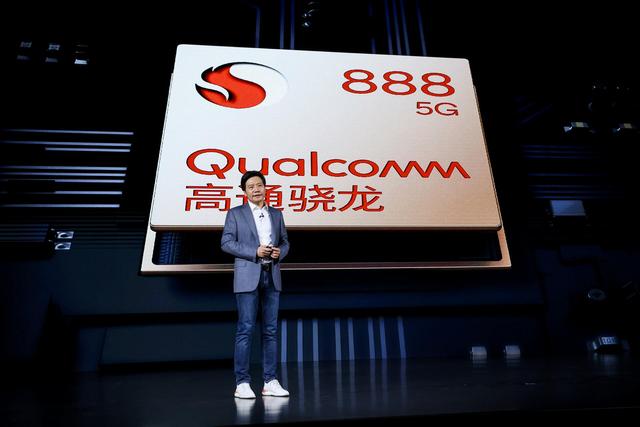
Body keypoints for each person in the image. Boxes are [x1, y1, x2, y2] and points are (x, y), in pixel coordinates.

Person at [221, 170, 290, 399]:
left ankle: (270, 381)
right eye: (250, 187)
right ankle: (242, 383)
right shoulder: (235, 213)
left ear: (265, 187)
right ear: (244, 191)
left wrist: (280, 252)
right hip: (247, 276)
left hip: (272, 275)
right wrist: (254, 251)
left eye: (259, 185)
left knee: (270, 331)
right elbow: (226, 243)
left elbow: (285, 242)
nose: (256, 189)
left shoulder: (277, 214)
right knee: (246, 329)